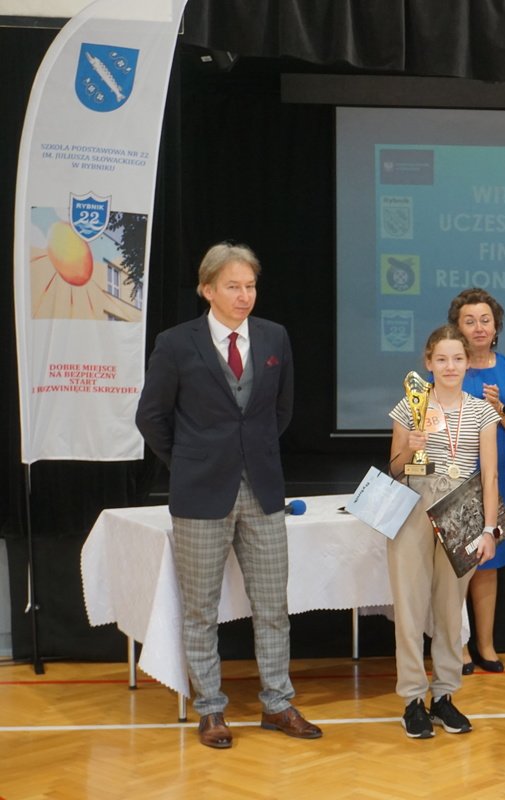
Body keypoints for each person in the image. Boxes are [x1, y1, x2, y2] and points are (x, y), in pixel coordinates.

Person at [135, 242, 322, 749]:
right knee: (200, 609)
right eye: (234, 286)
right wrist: (189, 461)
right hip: (200, 493)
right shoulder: (176, 343)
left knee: (273, 605)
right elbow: (151, 416)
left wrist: (248, 453)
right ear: (207, 290)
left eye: (251, 286)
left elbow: (281, 411)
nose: (245, 296)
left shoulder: (274, 336)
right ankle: (211, 709)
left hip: (262, 490)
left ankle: (277, 703)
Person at [386, 325, 500, 738]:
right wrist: (411, 447)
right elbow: (394, 469)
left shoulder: (482, 412)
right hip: (414, 506)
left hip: (463, 510)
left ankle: (445, 696)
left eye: (457, 359)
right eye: (441, 359)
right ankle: (412, 700)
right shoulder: (410, 405)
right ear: (428, 363)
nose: (450, 366)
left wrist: (489, 529)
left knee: (451, 610)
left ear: (468, 363)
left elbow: (489, 475)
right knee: (410, 607)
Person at [448, 288, 505, 674]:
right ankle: (458, 646)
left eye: (485, 320)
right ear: (457, 328)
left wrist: (499, 407)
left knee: (489, 563)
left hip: (497, 480)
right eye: (470, 321)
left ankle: (485, 644)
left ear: (496, 326)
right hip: (454, 480)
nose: (479, 327)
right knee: (458, 565)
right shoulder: (449, 367)